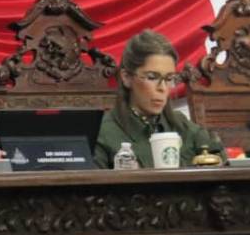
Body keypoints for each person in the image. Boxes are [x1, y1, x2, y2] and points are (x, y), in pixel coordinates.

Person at [93, 30, 223, 168]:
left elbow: (218, 155)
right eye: (152, 77)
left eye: (169, 79)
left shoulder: (180, 123)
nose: (162, 88)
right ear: (126, 77)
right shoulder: (102, 132)